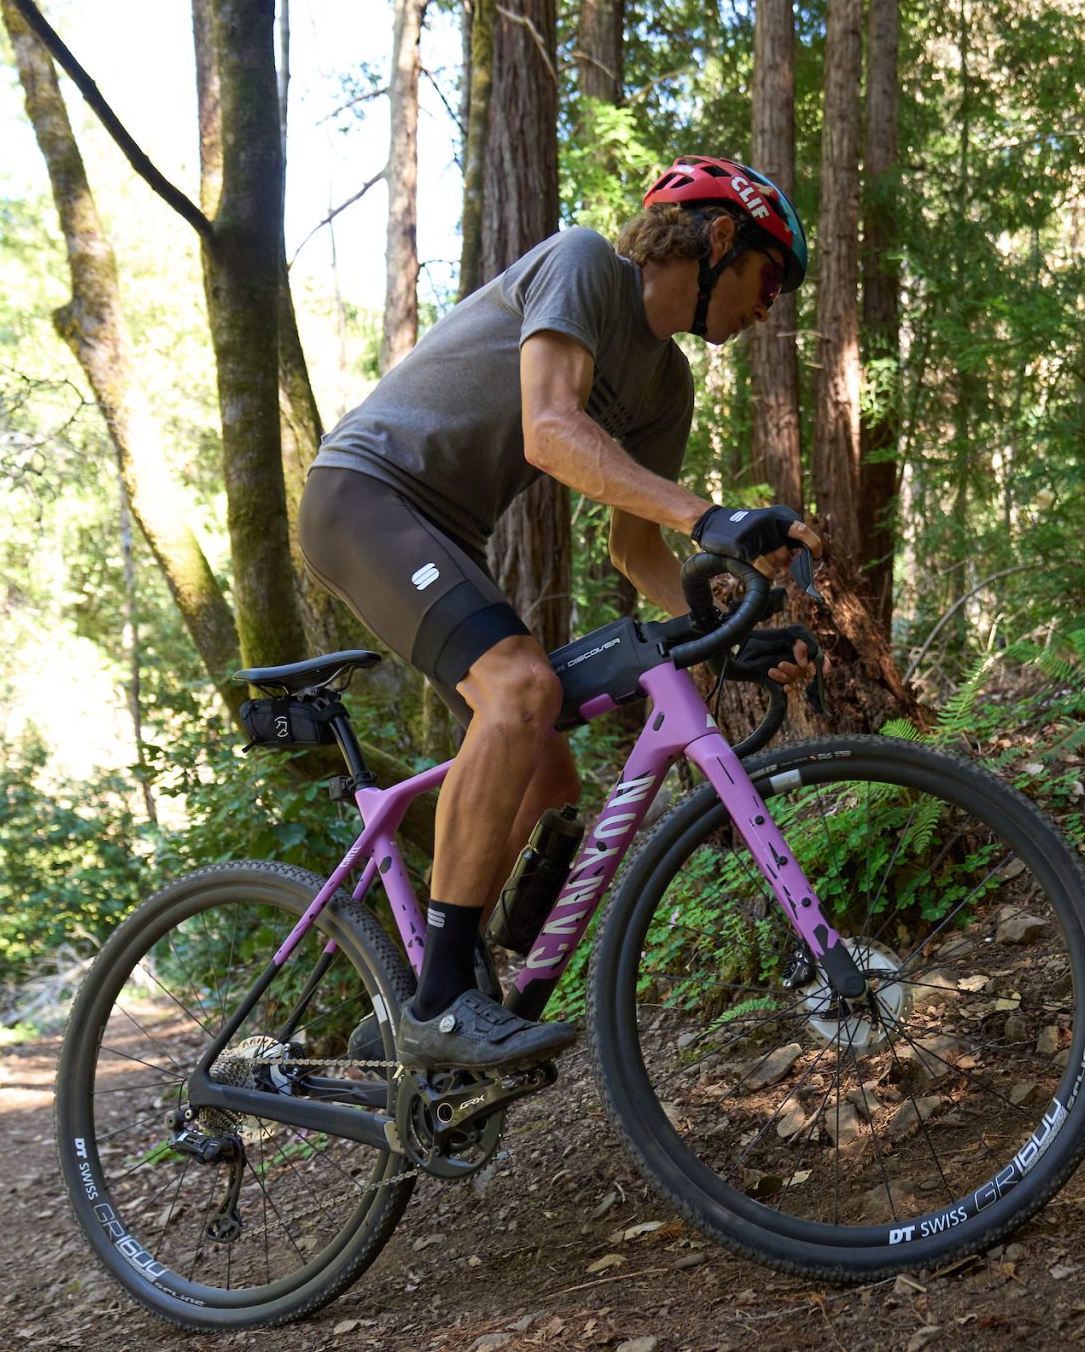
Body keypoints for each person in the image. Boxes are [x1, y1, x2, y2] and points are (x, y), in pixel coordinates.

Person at [297, 157, 821, 1074]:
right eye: (769, 278)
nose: (769, 305)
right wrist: (710, 513)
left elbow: (637, 552)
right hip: (364, 494)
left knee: (548, 774)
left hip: (443, 533)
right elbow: (551, 427)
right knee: (520, 687)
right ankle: (440, 1001)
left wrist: (725, 641)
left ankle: (428, 992)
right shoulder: (584, 263)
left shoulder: (666, 388)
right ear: (719, 240)